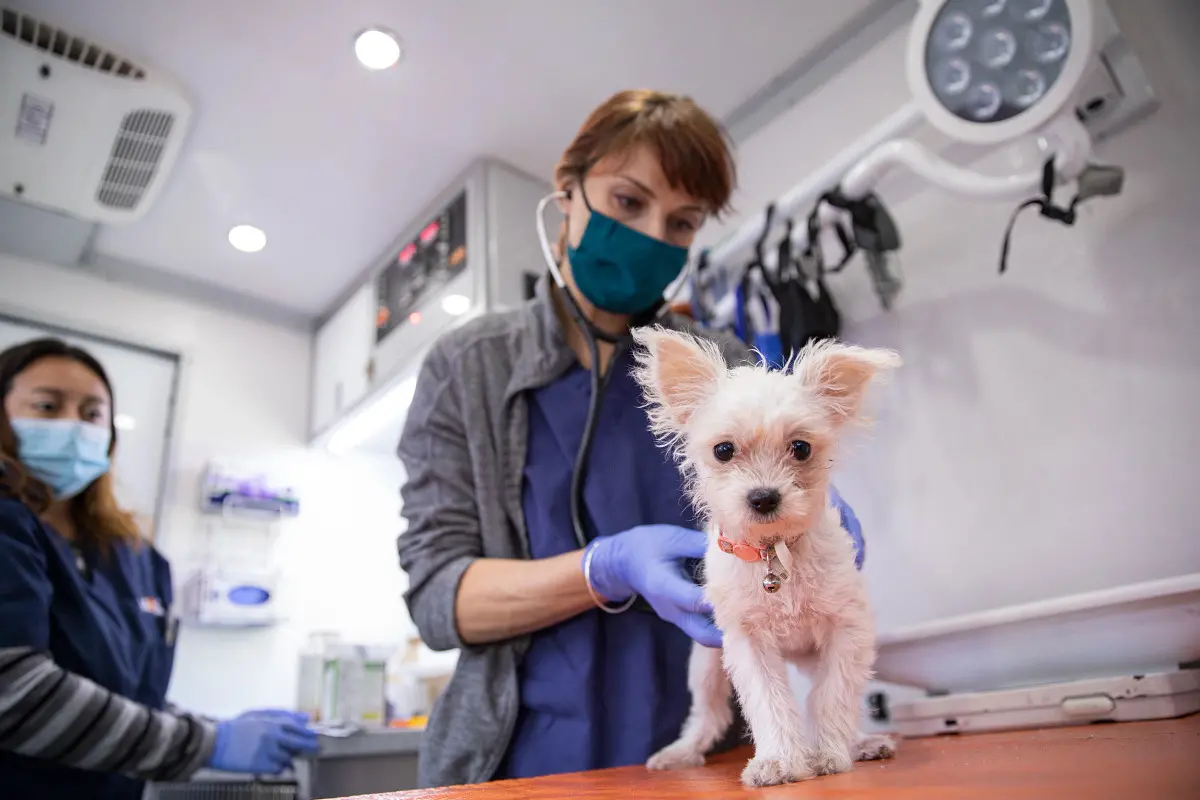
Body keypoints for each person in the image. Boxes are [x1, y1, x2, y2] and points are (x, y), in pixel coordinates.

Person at [395, 89, 867, 788]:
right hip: (522, 759)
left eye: (681, 222)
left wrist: (817, 536)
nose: (652, 234)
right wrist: (602, 568)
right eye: (626, 202)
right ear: (567, 193)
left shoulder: (724, 363)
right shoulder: (469, 368)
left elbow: (777, 483)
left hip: (708, 755)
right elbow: (439, 597)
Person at [0, 338, 321, 799]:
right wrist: (209, 743)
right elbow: (15, 693)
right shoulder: (8, 524)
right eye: (48, 406)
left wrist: (207, 726)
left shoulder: (133, 558)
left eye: (92, 413)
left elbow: (130, 698)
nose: (73, 425)